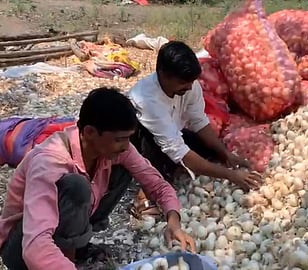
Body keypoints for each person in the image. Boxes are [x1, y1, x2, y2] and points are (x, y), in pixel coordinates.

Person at [0, 87, 195, 270]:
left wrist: (173, 221)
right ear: (90, 132)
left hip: (56, 235)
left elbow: (157, 185)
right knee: (76, 186)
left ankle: (77, 249)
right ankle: (69, 257)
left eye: (128, 138)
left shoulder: (113, 150)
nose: (126, 146)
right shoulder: (49, 163)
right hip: (21, 250)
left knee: (125, 168)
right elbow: (34, 246)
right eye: (120, 139)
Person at [128, 41, 262, 216]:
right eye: (183, 82)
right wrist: (230, 175)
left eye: (191, 82)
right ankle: (144, 195)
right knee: (157, 152)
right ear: (163, 74)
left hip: (173, 133)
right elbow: (177, 150)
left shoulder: (190, 86)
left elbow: (199, 122)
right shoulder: (146, 99)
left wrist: (224, 153)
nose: (190, 87)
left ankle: (183, 168)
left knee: (210, 149)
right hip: (142, 142)